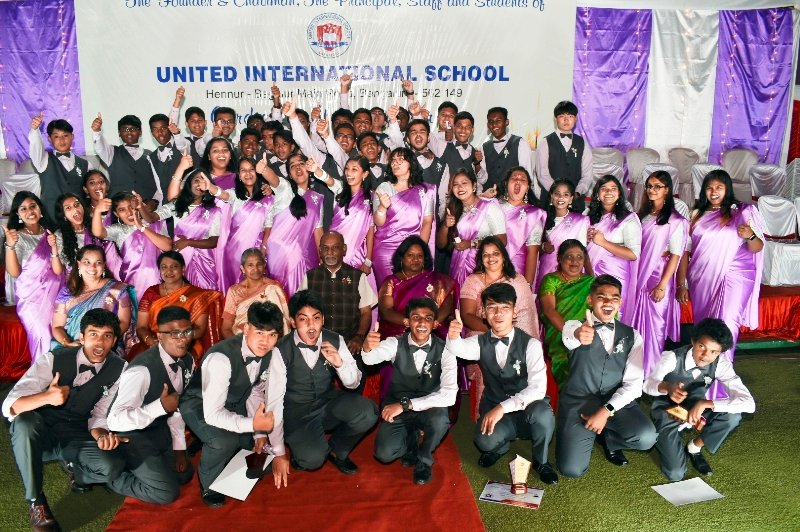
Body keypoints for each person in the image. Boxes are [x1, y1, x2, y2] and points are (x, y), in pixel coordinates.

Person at [3, 309, 127, 532]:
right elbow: (9, 405)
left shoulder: (120, 369)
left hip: (76, 433)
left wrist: (102, 436)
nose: (100, 342)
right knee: (24, 423)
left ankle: (72, 466)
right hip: (43, 431)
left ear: (115, 340)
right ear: (81, 337)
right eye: (93, 334)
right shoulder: (53, 359)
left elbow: (99, 415)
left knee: (113, 467)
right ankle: (36, 501)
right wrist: (46, 397)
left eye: (107, 336)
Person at [447, 283, 558, 484]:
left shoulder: (531, 344)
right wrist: (453, 336)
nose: (498, 313)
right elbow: (458, 350)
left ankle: (542, 461)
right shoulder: (479, 342)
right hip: (497, 409)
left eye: (505, 307)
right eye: (491, 307)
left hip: (529, 410)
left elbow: (538, 389)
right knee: (484, 442)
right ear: (484, 313)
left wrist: (502, 407)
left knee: (543, 415)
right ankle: (501, 446)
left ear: (515, 311)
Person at [266, 290, 378, 475]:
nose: (311, 326)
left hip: (328, 403)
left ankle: (336, 450)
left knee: (368, 412)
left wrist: (339, 363)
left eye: (316, 318)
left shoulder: (335, 339)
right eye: (303, 319)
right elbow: (273, 401)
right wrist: (278, 451)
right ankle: (305, 447)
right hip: (297, 412)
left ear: (323, 319)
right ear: (292, 322)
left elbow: (353, 384)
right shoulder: (280, 350)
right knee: (312, 460)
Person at [180, 302, 282, 507]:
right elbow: (213, 414)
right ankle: (208, 484)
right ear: (246, 328)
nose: (266, 341)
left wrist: (259, 433)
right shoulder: (221, 358)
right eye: (260, 332)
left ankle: (214, 443)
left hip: (234, 402)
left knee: (258, 453)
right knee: (223, 442)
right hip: (200, 405)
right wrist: (253, 425)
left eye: (272, 335)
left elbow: (254, 391)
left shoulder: (268, 353)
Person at [556, 275, 657, 478]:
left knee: (646, 438)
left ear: (620, 302)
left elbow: (634, 385)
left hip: (614, 402)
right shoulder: (573, 325)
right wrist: (579, 334)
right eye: (602, 297)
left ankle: (608, 436)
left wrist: (606, 411)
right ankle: (579, 433)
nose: (608, 302)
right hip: (580, 402)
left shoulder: (633, 335)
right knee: (571, 470)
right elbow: (571, 336)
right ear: (590, 300)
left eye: (615, 298)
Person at [677, 170, 764, 389]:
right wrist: (682, 283)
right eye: (709, 187)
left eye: (719, 187)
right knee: (705, 329)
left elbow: (757, 248)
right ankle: (702, 379)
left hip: (735, 276)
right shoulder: (696, 214)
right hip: (702, 278)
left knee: (727, 325)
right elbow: (685, 252)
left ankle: (721, 384)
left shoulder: (742, 212)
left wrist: (750, 235)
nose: (713, 192)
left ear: (727, 189)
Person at [106, 306, 197, 504]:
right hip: (131, 437)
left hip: (157, 430)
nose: (183, 339)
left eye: (187, 332)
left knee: (184, 475)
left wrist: (179, 448)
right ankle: (111, 478)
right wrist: (159, 407)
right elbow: (114, 421)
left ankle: (147, 466)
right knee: (166, 493)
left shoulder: (188, 360)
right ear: (159, 335)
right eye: (174, 333)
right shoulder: (141, 371)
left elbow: (177, 409)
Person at [645, 318, 755, 481]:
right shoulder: (671, 358)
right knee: (676, 474)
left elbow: (749, 404)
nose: (706, 356)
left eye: (714, 352)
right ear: (693, 341)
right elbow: (647, 385)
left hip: (696, 410)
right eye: (702, 347)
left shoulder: (721, 364)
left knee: (733, 416)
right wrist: (668, 387)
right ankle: (662, 437)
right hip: (667, 412)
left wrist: (706, 403)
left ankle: (694, 448)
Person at [362, 298, 457, 485]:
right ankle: (411, 440)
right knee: (384, 454)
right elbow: (370, 360)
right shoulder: (394, 343)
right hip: (398, 406)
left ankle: (424, 459)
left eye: (428, 318)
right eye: (416, 317)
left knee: (440, 420)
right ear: (406, 322)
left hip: (429, 407)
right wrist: (366, 347)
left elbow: (449, 394)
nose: (422, 323)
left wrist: (406, 405)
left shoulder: (446, 349)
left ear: (436, 324)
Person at [460, 236, 540, 418]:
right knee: (487, 354)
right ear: (480, 258)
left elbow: (526, 315)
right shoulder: (473, 280)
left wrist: (510, 336)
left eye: (495, 253)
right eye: (486, 254)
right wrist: (494, 333)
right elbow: (467, 315)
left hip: (515, 334)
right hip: (483, 331)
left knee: (519, 356)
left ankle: (519, 414)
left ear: (504, 256)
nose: (491, 258)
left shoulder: (517, 280)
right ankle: (487, 416)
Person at [628, 171, 688, 376]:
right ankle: (634, 373)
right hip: (638, 275)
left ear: (667, 190)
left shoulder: (675, 220)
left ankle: (651, 375)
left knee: (655, 327)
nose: (652, 190)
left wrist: (663, 284)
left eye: (657, 186)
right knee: (635, 325)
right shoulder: (642, 215)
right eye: (649, 186)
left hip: (658, 276)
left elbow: (676, 255)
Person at [4, 191, 62, 361]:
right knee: (42, 335)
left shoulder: (52, 234)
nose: (30, 211)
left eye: (33, 206)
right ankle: (41, 379)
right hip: (32, 300)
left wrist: (54, 249)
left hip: (56, 295)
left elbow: (59, 270)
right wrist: (10, 245)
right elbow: (14, 273)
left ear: (40, 209)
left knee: (58, 333)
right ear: (18, 214)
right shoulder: (17, 237)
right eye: (23, 209)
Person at [131, 250, 222, 360]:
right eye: (164, 267)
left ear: (183, 269)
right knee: (138, 362)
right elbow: (141, 327)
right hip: (155, 341)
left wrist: (176, 339)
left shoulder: (196, 295)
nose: (169, 271)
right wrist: (150, 340)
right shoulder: (151, 292)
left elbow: (199, 330)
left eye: (174, 266)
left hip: (185, 342)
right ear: (159, 270)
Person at [147, 169, 226, 291]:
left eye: (203, 181)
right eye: (196, 180)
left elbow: (213, 241)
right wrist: (139, 207)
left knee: (204, 299)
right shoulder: (176, 206)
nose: (199, 184)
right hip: (179, 260)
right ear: (188, 184)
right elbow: (151, 218)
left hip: (204, 263)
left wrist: (188, 242)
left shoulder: (213, 211)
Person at [51, 245, 135, 354]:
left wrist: (103, 341)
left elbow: (124, 322)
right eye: (87, 262)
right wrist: (67, 343)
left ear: (104, 265)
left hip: (107, 349)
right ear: (79, 264)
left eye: (98, 263)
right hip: (72, 347)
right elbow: (57, 327)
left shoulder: (117, 290)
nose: (92, 267)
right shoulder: (66, 293)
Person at [210, 156, 276, 293]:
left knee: (257, 292)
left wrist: (263, 249)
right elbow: (222, 194)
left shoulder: (268, 197)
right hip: (234, 253)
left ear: (257, 173)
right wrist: (209, 187)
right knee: (236, 291)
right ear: (239, 175)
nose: (248, 173)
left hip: (257, 251)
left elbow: (268, 226)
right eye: (243, 170)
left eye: (251, 169)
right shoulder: (234, 195)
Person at [92, 191, 173, 302]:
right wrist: (97, 211)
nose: (129, 212)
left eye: (131, 207)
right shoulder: (119, 230)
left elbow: (168, 246)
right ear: (116, 214)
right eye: (122, 210)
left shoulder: (152, 222)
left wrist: (142, 228)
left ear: (137, 205)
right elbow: (98, 232)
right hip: (134, 286)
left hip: (159, 283)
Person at [372, 147, 436, 287]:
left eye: (400, 159)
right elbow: (378, 222)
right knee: (389, 294)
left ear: (411, 163)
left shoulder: (425, 191)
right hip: (386, 249)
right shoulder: (384, 188)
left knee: (412, 293)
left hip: (412, 250)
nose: (395, 163)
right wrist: (382, 207)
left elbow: (427, 222)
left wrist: (420, 250)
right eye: (393, 160)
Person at [264, 153, 325, 296]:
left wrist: (323, 259)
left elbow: (318, 231)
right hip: (281, 257)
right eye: (292, 166)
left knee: (305, 301)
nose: (298, 168)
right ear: (289, 175)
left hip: (306, 257)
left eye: (301, 164)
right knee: (283, 300)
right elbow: (275, 181)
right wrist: (264, 170)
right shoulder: (285, 190)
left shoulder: (317, 198)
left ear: (308, 168)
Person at [437, 170, 506, 288]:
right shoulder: (453, 209)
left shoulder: (489, 206)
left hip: (483, 264)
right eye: (455, 184)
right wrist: (445, 226)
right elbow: (441, 245)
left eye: (464, 183)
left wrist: (471, 244)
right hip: (458, 264)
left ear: (474, 185)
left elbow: (502, 241)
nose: (460, 187)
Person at [538, 240, 594, 387]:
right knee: (568, 371)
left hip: (588, 334)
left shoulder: (591, 282)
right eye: (569, 257)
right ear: (560, 259)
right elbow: (549, 311)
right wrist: (571, 333)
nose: (575, 261)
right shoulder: (551, 280)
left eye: (579, 257)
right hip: (560, 334)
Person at [586, 176, 641, 320]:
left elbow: (633, 254)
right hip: (590, 272)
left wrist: (603, 242)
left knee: (612, 313)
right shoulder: (588, 216)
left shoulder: (628, 219)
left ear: (619, 194)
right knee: (591, 312)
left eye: (613, 189)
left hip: (616, 275)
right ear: (597, 194)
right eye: (603, 189)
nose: (608, 192)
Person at [27, 114, 90, 221]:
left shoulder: (86, 164)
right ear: (49, 139)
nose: (61, 140)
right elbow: (35, 147)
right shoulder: (43, 160)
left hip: (77, 220)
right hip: (52, 218)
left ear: (72, 137)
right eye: (56, 136)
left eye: (65, 135)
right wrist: (34, 130)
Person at [536, 100, 594, 213]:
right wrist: (557, 194)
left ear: (575, 119)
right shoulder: (545, 142)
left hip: (576, 201)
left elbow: (587, 175)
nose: (566, 120)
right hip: (550, 201)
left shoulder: (583, 143)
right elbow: (542, 174)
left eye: (570, 116)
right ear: (555, 119)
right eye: (562, 116)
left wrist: (576, 193)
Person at [90, 113, 161, 203]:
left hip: (145, 208)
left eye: (133, 129)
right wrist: (97, 131)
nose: (129, 132)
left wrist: (154, 202)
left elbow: (158, 184)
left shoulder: (150, 155)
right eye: (125, 129)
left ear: (140, 132)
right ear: (119, 133)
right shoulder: (112, 152)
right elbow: (100, 147)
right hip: (119, 209)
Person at [222, 248, 290, 338]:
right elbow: (226, 328)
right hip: (241, 339)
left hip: (269, 340)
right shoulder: (234, 291)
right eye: (250, 265)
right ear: (243, 268)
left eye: (259, 264)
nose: (255, 269)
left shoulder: (273, 287)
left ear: (264, 266)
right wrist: (238, 347)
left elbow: (282, 323)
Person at [535, 179, 590, 290]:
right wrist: (543, 247)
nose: (560, 198)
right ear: (551, 196)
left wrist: (590, 276)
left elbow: (583, 252)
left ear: (571, 199)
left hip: (571, 272)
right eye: (557, 194)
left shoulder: (580, 220)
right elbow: (533, 248)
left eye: (565, 195)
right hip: (546, 270)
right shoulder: (542, 217)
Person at [499, 167, 546, 284]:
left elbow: (532, 252)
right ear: (506, 183)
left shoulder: (533, 214)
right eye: (514, 178)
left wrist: (527, 285)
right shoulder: (494, 206)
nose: (518, 181)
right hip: (491, 266)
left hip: (518, 271)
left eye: (523, 179)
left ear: (528, 187)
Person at [480, 107, 536, 197]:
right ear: (487, 125)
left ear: (507, 122)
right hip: (490, 201)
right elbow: (482, 179)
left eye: (498, 120)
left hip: (514, 199)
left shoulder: (520, 143)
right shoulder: (484, 147)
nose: (494, 125)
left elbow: (527, 175)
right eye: (490, 122)